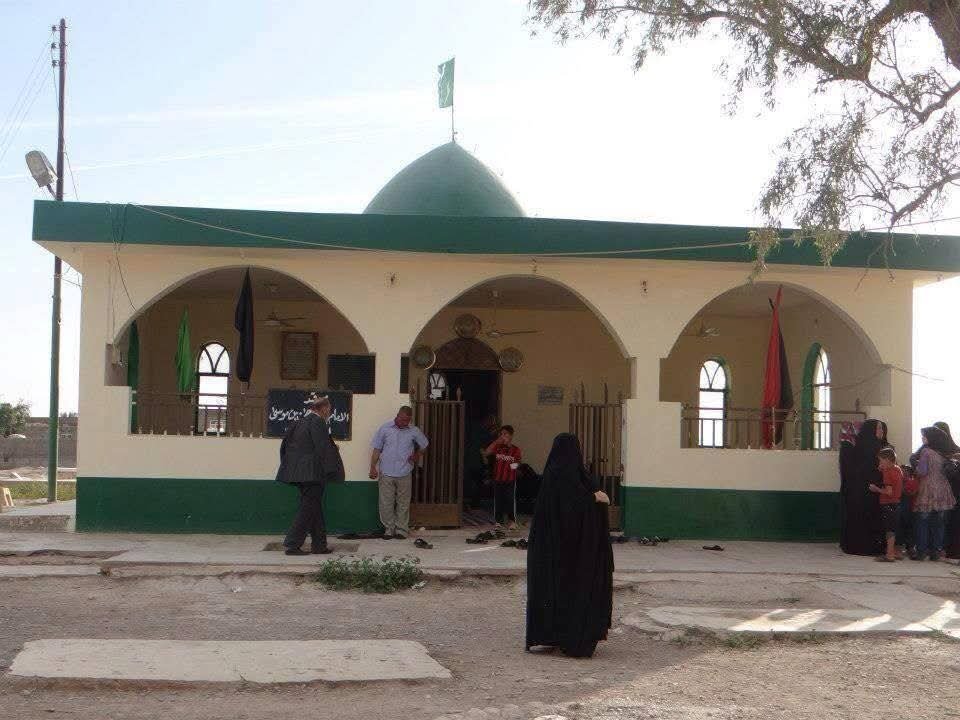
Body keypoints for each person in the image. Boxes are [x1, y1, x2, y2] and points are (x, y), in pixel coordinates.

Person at [526, 433, 614, 658]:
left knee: (555, 590)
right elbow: (574, 506)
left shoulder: (554, 475)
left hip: (552, 552)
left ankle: (553, 635)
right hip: (573, 553)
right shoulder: (568, 476)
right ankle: (570, 637)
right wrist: (595, 499)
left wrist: (593, 499)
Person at [275, 394, 345, 556]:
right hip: (313, 473)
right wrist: (332, 461)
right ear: (324, 408)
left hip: (298, 473)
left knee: (314, 508)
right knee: (308, 508)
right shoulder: (318, 422)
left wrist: (290, 467)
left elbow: (285, 446)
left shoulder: (299, 422)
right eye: (329, 409)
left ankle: (319, 545)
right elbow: (321, 447)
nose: (329, 412)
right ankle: (292, 544)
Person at [370, 406, 429, 540]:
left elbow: (424, 444)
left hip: (405, 471)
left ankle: (401, 530)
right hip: (386, 472)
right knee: (385, 503)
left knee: (403, 503)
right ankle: (389, 529)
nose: (404, 423)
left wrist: (417, 455)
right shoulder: (385, 428)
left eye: (407, 421)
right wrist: (372, 467)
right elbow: (377, 449)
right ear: (397, 416)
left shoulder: (414, 431)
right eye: (402, 420)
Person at [839, 419, 885, 555]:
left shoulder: (865, 446)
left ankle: (857, 546)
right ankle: (866, 546)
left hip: (864, 491)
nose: (881, 431)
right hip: (866, 491)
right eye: (879, 428)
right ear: (871, 431)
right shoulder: (872, 448)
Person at [912, 425, 957, 561]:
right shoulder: (944, 453)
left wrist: (915, 466)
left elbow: (922, 471)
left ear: (931, 438)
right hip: (943, 489)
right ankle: (936, 552)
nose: (922, 438)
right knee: (939, 523)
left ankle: (921, 551)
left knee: (923, 521)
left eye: (924, 436)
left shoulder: (926, 452)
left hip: (928, 489)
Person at [483, 425, 523, 529]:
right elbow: (487, 452)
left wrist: (512, 467)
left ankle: (512, 521)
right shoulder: (498, 447)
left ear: (511, 435)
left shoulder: (515, 450)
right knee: (498, 500)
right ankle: (498, 521)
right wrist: (497, 441)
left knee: (510, 500)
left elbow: (518, 463)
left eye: (505, 434)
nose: (503, 436)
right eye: (501, 434)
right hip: (498, 479)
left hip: (510, 480)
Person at [869, 447, 904, 562]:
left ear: (887, 460)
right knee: (894, 529)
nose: (880, 463)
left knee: (889, 530)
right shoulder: (898, 469)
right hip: (897, 503)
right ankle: (896, 552)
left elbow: (889, 492)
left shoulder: (888, 473)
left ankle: (889, 555)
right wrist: (882, 468)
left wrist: (876, 489)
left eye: (881, 460)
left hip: (888, 504)